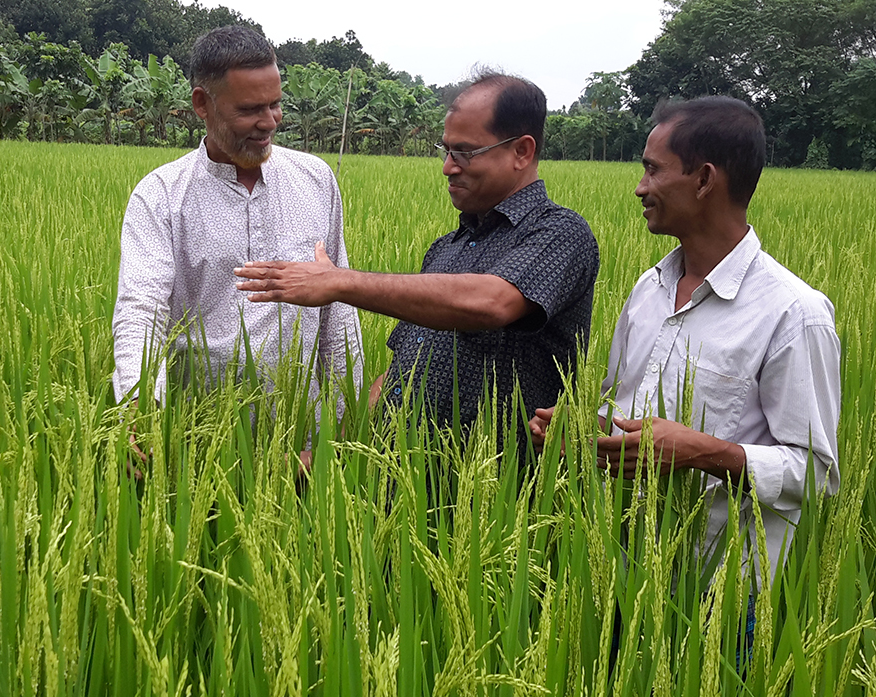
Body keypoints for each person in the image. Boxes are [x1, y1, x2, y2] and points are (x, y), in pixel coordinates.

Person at [530, 95, 840, 581]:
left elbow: (819, 475)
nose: (640, 188)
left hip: (721, 595)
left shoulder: (793, 312)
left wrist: (703, 452)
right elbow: (626, 412)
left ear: (704, 180)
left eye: (653, 170)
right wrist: (583, 431)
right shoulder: (648, 289)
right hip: (617, 565)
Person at [234, 71, 599, 441]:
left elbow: (492, 303)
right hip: (405, 482)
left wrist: (339, 282)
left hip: (493, 486)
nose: (448, 166)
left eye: (465, 152)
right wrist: (335, 448)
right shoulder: (446, 249)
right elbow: (399, 372)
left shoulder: (560, 233)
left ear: (522, 151)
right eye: (447, 150)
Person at [111, 25, 363, 413]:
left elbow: (338, 314)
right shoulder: (161, 195)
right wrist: (138, 405)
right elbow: (141, 310)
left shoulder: (315, 180)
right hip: (198, 430)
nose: (269, 122)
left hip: (302, 431)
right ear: (202, 103)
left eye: (275, 104)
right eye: (249, 110)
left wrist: (347, 424)